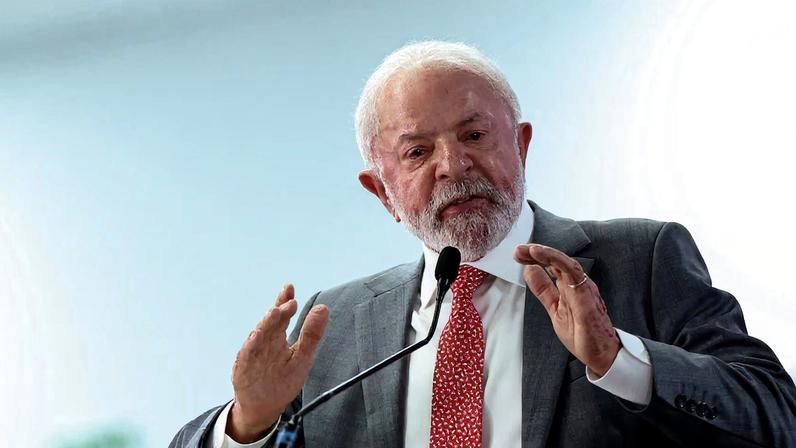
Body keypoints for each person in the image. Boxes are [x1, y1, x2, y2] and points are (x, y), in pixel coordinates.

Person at [169, 41, 796, 448]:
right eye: (417, 152)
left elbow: (774, 415)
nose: (453, 165)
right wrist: (245, 425)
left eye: (474, 134)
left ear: (520, 146)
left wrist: (619, 359)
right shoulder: (334, 326)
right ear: (380, 192)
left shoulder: (642, 259)